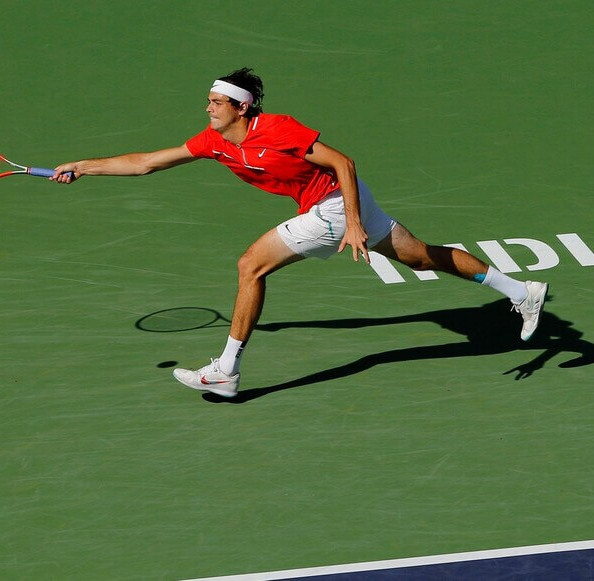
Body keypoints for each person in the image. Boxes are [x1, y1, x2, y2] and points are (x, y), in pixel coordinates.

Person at [50, 68, 548, 398]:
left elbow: (342, 162)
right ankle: (522, 291)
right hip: (341, 204)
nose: (208, 108)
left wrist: (351, 221)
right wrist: (83, 166)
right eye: (208, 101)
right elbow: (145, 163)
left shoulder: (278, 129)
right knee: (419, 257)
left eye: (216, 102)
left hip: (335, 206)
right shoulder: (214, 142)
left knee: (251, 266)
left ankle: (225, 370)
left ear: (242, 107)